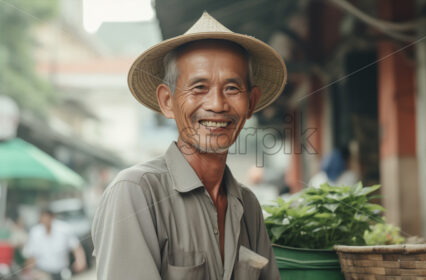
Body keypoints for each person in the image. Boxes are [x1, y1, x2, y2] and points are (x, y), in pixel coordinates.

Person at [91, 12, 286, 279]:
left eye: (231, 88)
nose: (217, 104)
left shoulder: (248, 205)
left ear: (251, 102)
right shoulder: (136, 194)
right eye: (199, 87)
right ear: (167, 101)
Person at [23, 209, 87, 280]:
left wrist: (80, 260)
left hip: (62, 270)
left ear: (52, 217)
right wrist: (29, 271)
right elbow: (32, 255)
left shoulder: (64, 229)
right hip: (44, 272)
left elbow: (76, 246)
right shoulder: (35, 232)